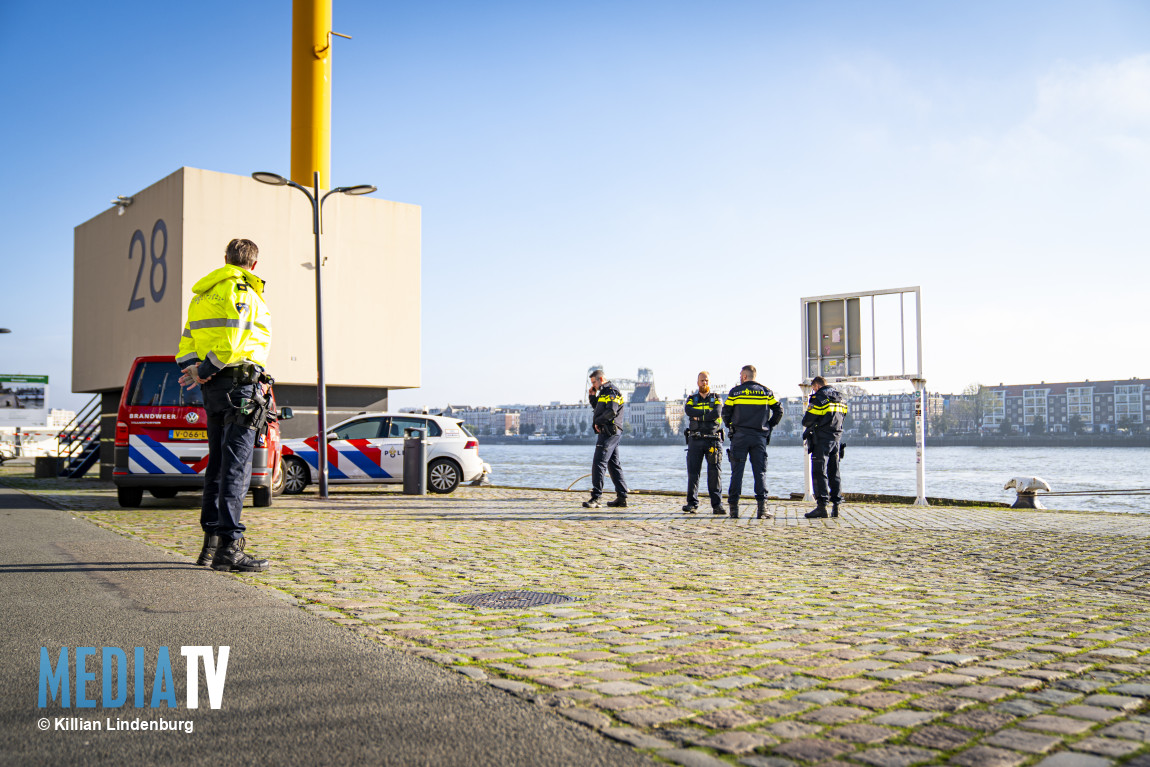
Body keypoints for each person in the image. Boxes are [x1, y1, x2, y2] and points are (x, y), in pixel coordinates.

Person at [177, 238, 273, 572]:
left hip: (213, 389)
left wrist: (195, 370)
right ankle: (231, 547)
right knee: (237, 467)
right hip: (239, 385)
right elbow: (234, 339)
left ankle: (210, 547)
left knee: (217, 465)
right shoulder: (244, 292)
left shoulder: (203, 295)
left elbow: (187, 339)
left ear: (225, 259)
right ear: (254, 264)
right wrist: (204, 370)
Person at [721, 365, 783, 519]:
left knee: (737, 473)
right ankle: (762, 509)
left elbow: (725, 412)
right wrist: (769, 425)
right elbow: (779, 410)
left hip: (739, 436)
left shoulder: (735, 392)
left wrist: (731, 426)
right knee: (760, 472)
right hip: (759, 436)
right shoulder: (766, 392)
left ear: (744, 376)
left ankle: (734, 510)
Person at [802, 376, 848, 518]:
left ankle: (822, 506)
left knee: (819, 472)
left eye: (813, 387)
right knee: (834, 472)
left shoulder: (819, 398)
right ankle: (836, 506)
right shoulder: (841, 398)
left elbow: (807, 420)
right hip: (836, 439)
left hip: (821, 439)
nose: (813, 390)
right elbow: (843, 417)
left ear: (816, 385)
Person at [583, 369, 628, 508]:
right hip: (610, 431)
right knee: (613, 464)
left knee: (599, 462)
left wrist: (598, 422)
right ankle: (622, 497)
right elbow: (600, 409)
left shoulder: (611, 391)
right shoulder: (604, 392)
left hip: (609, 432)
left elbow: (611, 412)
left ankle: (596, 498)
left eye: (594, 382)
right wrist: (592, 396)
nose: (593, 385)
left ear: (601, 379)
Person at [682, 371, 725, 515]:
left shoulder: (717, 398)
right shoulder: (691, 399)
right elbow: (688, 411)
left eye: (706, 380)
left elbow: (717, 412)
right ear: (697, 382)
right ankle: (692, 503)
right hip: (695, 439)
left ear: (709, 382)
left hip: (713, 440)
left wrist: (699, 418)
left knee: (714, 474)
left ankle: (717, 505)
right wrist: (707, 416)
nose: (704, 383)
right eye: (702, 380)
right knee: (693, 473)